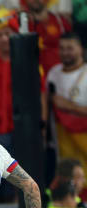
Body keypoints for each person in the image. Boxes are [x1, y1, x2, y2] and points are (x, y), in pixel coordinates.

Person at [47, 33, 87, 166]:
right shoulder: (53, 73)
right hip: (62, 142)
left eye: (70, 48)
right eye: (62, 48)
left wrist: (68, 106)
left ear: (81, 49)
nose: (65, 52)